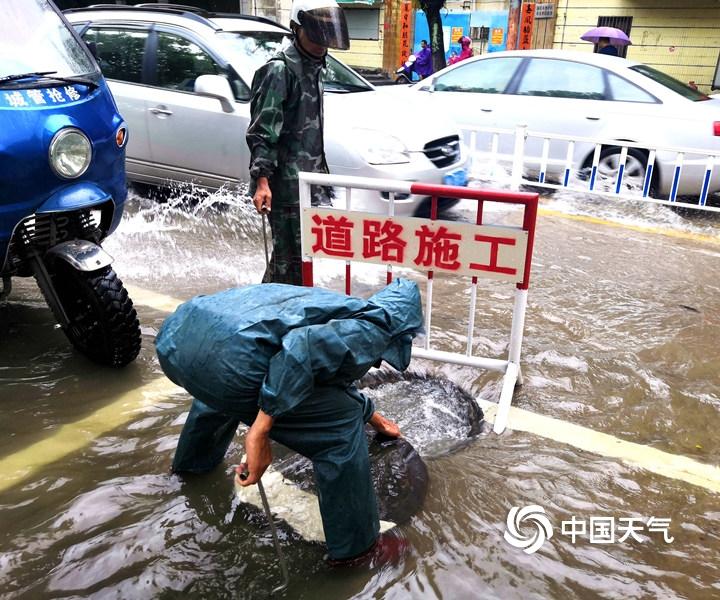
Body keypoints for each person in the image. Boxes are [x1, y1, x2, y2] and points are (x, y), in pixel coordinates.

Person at [156, 278, 424, 565]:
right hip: (232, 366)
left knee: (219, 391)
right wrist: (259, 432)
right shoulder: (378, 327)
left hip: (179, 341)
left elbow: (325, 377)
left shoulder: (330, 306)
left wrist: (375, 418)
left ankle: (192, 468)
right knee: (339, 431)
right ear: (404, 328)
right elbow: (300, 350)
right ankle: (359, 550)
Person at [246, 0, 349, 285]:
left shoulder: (314, 65)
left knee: (301, 258)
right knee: (287, 261)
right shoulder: (280, 70)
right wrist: (262, 182)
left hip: (309, 181)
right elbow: (262, 132)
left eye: (328, 33)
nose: (323, 42)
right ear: (297, 28)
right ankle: (270, 314)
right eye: (317, 33)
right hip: (285, 185)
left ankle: (287, 311)